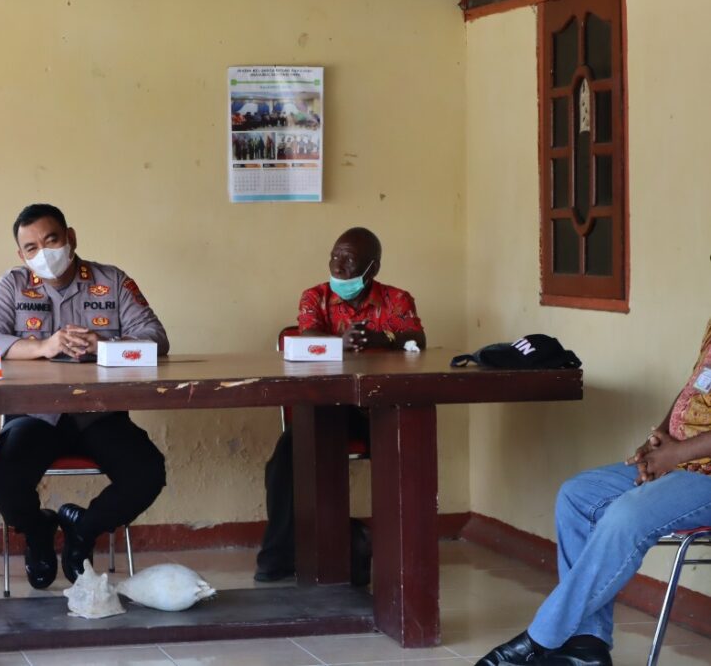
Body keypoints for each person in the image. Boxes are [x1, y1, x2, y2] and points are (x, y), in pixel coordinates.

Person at [475, 323, 711, 666]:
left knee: (628, 515)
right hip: (681, 462)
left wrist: (676, 454)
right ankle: (586, 646)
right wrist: (660, 438)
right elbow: (695, 387)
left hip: (703, 475)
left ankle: (538, 640)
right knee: (578, 495)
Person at [0, 203, 169, 589]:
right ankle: (39, 530)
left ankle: (83, 529)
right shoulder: (13, 284)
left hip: (98, 414)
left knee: (147, 472)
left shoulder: (111, 280)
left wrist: (103, 345)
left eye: (51, 241)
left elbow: (157, 339)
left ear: (70, 238)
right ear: (21, 255)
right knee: (2, 477)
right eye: (31, 248)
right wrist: (43, 347)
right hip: (34, 415)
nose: (43, 253)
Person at [255, 226, 426, 583]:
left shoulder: (395, 299)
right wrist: (340, 343)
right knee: (284, 460)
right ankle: (279, 556)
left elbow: (416, 337)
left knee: (411, 451)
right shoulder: (315, 297)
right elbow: (308, 335)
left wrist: (379, 338)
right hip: (329, 408)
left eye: (349, 259)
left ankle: (401, 557)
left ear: (372, 267)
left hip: (381, 409)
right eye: (335, 256)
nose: (338, 265)